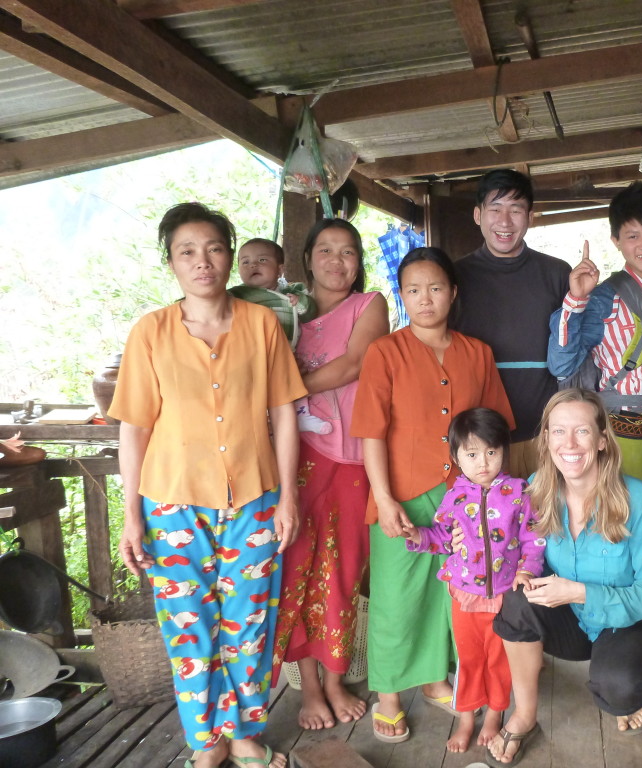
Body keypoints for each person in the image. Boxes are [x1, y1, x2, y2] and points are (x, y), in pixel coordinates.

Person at [110, 202, 306, 768]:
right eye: (187, 252)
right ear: (170, 262)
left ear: (231, 255)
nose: (203, 262)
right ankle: (206, 743)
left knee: (249, 624)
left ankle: (246, 733)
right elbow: (135, 428)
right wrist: (131, 514)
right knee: (188, 628)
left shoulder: (262, 325)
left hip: (254, 497)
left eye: (214, 248)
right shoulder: (150, 332)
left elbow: (284, 413)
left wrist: (288, 496)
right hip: (172, 504)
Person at [350, 247, 515, 743]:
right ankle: (389, 697)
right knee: (397, 598)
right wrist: (383, 498)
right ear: (402, 296)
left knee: (456, 595)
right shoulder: (386, 352)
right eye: (414, 290)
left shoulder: (476, 352)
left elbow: (494, 429)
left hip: (464, 499)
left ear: (453, 293)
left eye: (436, 287)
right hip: (401, 493)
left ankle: (434, 678)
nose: (426, 299)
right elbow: (371, 432)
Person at [487, 388, 642, 766]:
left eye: (582, 431)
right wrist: (458, 536)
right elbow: (510, 539)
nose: (568, 443)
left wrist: (578, 591)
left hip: (635, 623)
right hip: (575, 622)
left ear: (603, 439)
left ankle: (627, 683)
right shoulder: (540, 486)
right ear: (546, 439)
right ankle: (524, 715)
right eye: (557, 431)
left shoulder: (640, 499)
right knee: (516, 599)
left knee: (619, 686)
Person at [271, 219, 389, 730]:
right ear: (307, 260)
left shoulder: (370, 305)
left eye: (347, 252)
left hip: (352, 459)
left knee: (341, 573)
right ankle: (311, 689)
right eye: (325, 251)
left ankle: (337, 678)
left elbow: (355, 364)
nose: (337, 261)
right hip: (296, 457)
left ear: (359, 262)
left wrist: (283, 392)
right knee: (294, 569)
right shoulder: (279, 315)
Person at [403, 407, 545, 753]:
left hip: (503, 598)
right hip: (463, 595)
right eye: (472, 453)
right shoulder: (455, 496)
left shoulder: (518, 491)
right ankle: (466, 718)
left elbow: (533, 537)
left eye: (492, 452)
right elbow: (441, 535)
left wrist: (528, 570)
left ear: (503, 453)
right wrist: (417, 535)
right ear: (456, 457)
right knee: (469, 660)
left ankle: (496, 714)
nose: (483, 462)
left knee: (499, 660)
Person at [547, 181, 642, 510]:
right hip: (627, 431)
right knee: (630, 521)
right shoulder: (606, 298)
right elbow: (561, 364)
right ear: (616, 241)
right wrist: (576, 299)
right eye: (633, 236)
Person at [453, 168, 571, 476]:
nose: (505, 222)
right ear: (478, 215)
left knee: (549, 521)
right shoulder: (455, 277)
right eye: (495, 209)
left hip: (545, 436)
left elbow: (573, 351)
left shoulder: (557, 274)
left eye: (515, 210)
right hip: (479, 445)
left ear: (530, 217)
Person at [228, 237, 330, 435]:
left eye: (262, 260)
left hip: (286, 351)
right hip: (251, 355)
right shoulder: (235, 295)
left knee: (293, 382)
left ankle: (301, 415)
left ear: (280, 269)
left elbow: (310, 312)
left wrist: (299, 302)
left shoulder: (292, 292)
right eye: (245, 261)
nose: (253, 265)